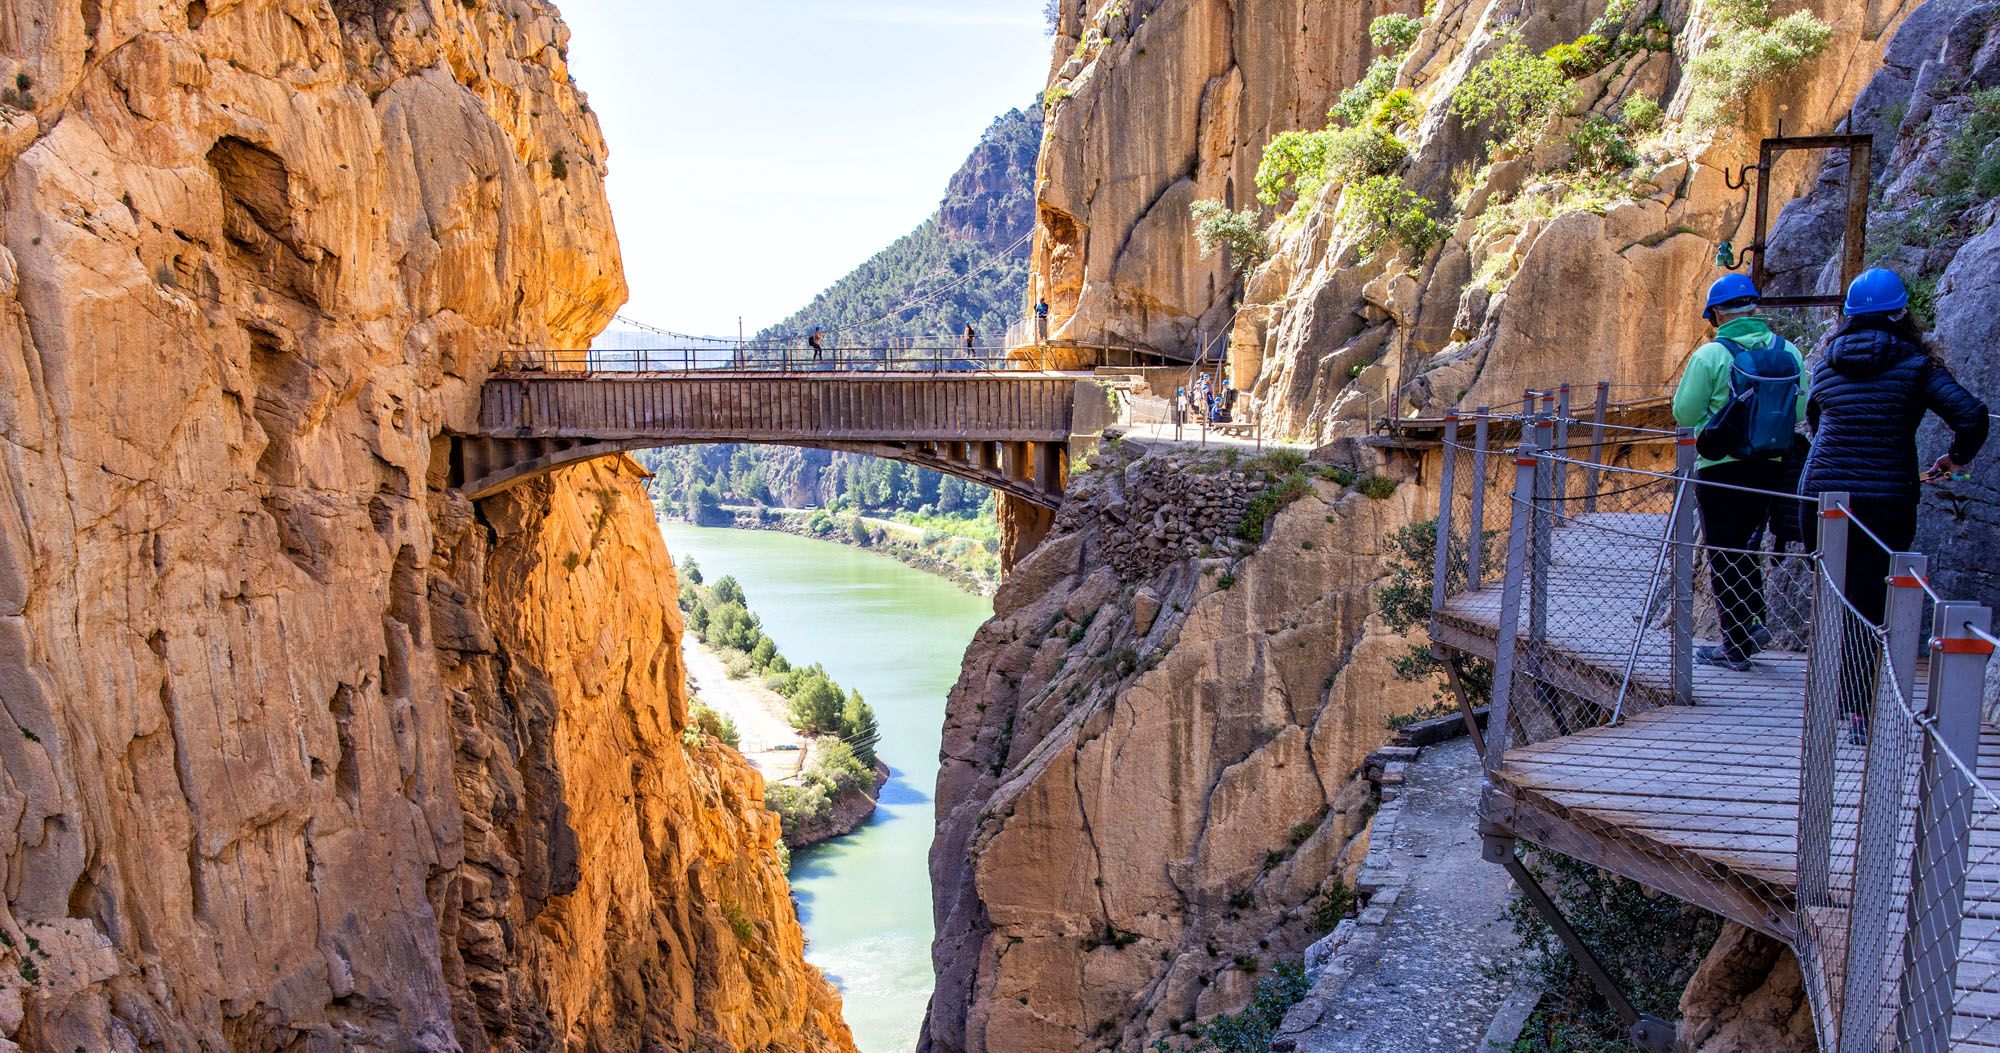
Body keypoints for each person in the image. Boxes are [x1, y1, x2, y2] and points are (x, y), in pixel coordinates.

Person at [1800, 269, 1988, 735]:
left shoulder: (1826, 364)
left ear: (1847, 317)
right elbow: (1972, 415)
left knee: (1836, 595)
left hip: (1821, 494)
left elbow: (1815, 422)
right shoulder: (1915, 364)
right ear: (1902, 314)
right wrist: (1955, 458)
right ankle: (1863, 710)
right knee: (1875, 601)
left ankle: (1832, 702)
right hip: (1885, 499)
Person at [1671, 273, 1808, 671]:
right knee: (1749, 544)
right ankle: (1753, 622)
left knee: (1724, 552)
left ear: (1716, 314)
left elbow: (1685, 413)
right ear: (1753, 307)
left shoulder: (1711, 356)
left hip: (1721, 468)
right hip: (1772, 465)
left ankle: (1735, 645)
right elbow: (1798, 412)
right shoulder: (1789, 352)